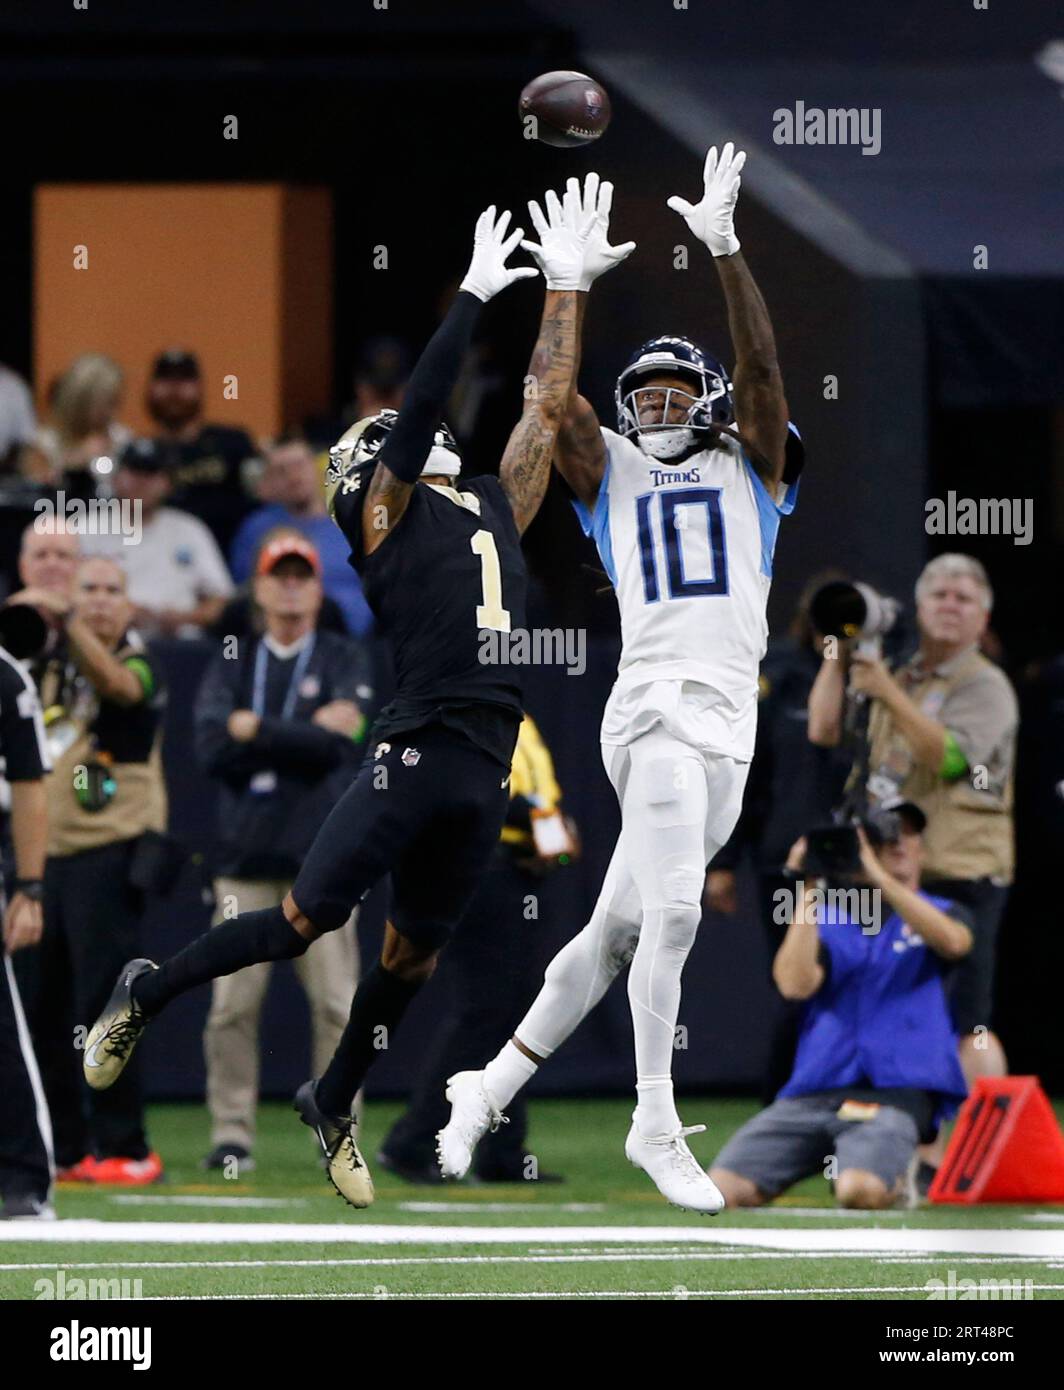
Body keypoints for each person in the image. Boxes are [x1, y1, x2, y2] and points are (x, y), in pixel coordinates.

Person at [83, 174, 628, 1210]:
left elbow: (546, 406)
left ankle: (333, 1099)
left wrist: (564, 284)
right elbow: (420, 411)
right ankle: (144, 991)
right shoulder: (383, 516)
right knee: (298, 921)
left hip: (484, 766)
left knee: (410, 960)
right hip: (418, 746)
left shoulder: (487, 507)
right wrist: (466, 300)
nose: (409, 437)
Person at [438, 142, 804, 1214]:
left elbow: (766, 367)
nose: (649, 403)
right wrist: (567, 287)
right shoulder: (618, 473)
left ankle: (486, 1086)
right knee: (678, 913)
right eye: (637, 389)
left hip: (726, 717)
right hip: (648, 706)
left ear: (706, 397)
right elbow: (547, 412)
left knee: (617, 932)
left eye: (668, 388)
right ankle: (655, 1115)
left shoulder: (755, 465)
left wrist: (726, 249)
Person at [807, 553, 1017, 1172]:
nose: (950, 605)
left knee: (965, 1021)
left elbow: (948, 759)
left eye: (964, 597)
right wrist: (838, 654)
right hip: (900, 874)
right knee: (906, 1015)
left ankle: (973, 1155)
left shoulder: (985, 683)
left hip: (961, 868)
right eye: (939, 595)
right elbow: (823, 730)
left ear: (982, 617)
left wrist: (888, 692)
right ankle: (924, 1151)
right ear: (918, 609)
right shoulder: (894, 671)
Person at [195, 532, 372, 1172]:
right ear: (261, 587)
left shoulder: (342, 654)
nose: (292, 586)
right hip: (245, 863)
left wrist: (258, 731)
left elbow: (344, 740)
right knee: (232, 1007)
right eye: (281, 575)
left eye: (303, 576)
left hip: (321, 865)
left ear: (318, 588)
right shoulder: (236, 656)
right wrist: (302, 734)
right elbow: (212, 746)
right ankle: (232, 1134)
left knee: (336, 1005)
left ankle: (337, 1130)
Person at [709, 807, 972, 1210]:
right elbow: (794, 984)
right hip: (815, 1091)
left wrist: (878, 878)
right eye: (884, 837)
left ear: (922, 848)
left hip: (893, 1095)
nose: (898, 843)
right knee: (717, 1194)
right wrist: (811, 884)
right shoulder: (830, 918)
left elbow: (953, 943)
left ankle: (899, 1179)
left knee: (858, 1192)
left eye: (907, 834)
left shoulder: (945, 911)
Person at [15, 556, 167, 1184]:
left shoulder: (138, 660)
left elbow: (120, 688)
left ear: (129, 606)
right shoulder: (49, 665)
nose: (101, 602)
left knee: (108, 1007)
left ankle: (126, 1149)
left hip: (111, 853)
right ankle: (68, 1148)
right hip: (46, 859)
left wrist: (67, 616)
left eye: (112, 592)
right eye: (89, 591)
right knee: (45, 1011)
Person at [379, 713, 577, 1184]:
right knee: (482, 1013)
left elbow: (535, 792)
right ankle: (411, 1142)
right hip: (478, 867)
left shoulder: (521, 720)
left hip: (520, 871)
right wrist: (539, 821)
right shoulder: (464, 713)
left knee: (515, 1018)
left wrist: (553, 829)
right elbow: (478, 787)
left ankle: (502, 1149)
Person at [705, 574, 852, 1101]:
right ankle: (786, 1101)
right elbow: (748, 774)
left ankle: (852, 1096)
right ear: (808, 618)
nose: (838, 626)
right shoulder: (778, 676)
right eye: (830, 614)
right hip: (787, 858)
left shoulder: (882, 677)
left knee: (855, 979)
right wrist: (722, 861)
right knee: (797, 981)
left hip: (868, 862)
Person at [0, 639, 54, 1220]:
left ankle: (22, 1180)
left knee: (1, 1033)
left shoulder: (6, 677)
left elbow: (29, 781)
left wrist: (29, 887)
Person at [82, 439, 233, 637]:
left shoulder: (190, 529)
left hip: (178, 645)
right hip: (104, 639)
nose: (142, 482)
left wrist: (181, 618)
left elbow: (222, 600)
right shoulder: (85, 529)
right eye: (134, 472)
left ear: (168, 483)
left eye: (151, 474)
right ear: (115, 478)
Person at [229, 433, 375, 638]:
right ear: (268, 480)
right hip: (283, 636)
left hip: (360, 640)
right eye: (281, 471)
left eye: (299, 465)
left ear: (317, 467)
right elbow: (244, 596)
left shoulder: (356, 522)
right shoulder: (256, 529)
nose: (293, 476)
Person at [147, 349, 258, 555]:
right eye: (166, 380)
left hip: (228, 556)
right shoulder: (143, 456)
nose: (174, 389)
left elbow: (259, 500)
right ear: (151, 388)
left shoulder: (232, 443)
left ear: (199, 387)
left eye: (184, 380)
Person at [22, 354, 132, 497]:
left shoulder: (123, 439)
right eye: (105, 404)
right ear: (79, 401)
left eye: (115, 403)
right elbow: (36, 493)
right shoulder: (44, 443)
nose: (110, 413)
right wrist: (77, 459)